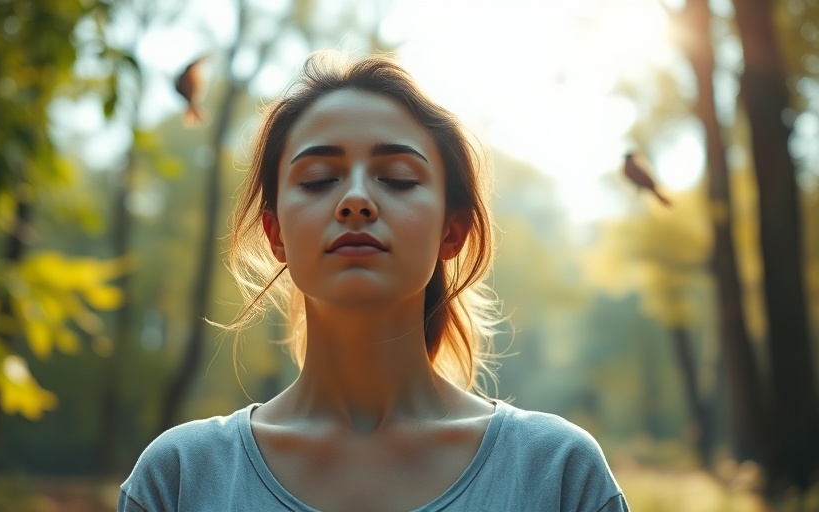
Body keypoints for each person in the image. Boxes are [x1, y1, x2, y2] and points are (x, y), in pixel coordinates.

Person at [118, 51, 629, 512]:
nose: (356, 200)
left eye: (398, 179)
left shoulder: (558, 474)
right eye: (319, 179)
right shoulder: (180, 479)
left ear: (452, 231)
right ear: (276, 234)